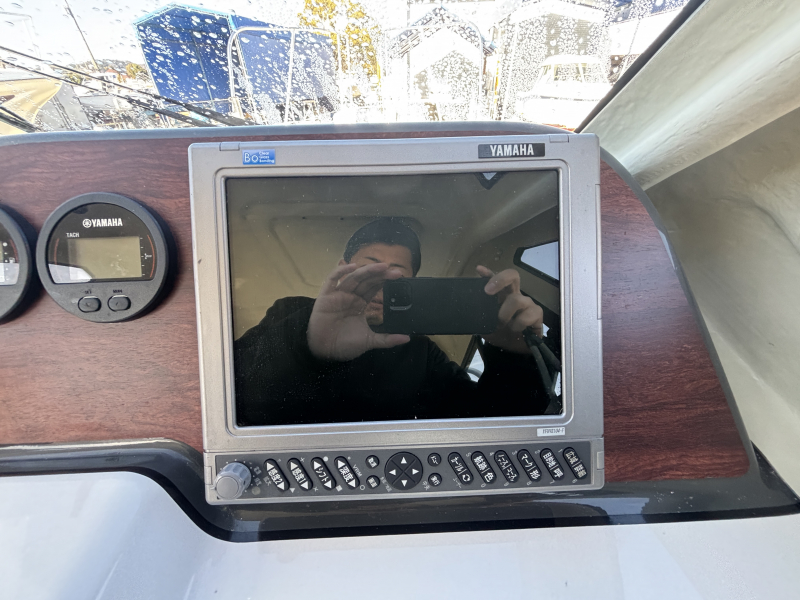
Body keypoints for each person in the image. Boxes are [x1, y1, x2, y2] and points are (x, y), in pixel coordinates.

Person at [234, 218, 550, 426]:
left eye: (397, 277)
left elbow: (491, 421)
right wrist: (308, 345)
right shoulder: (292, 312)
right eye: (369, 269)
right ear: (342, 268)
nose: (380, 284)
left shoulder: (420, 352)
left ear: (410, 284)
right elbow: (229, 391)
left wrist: (514, 357)